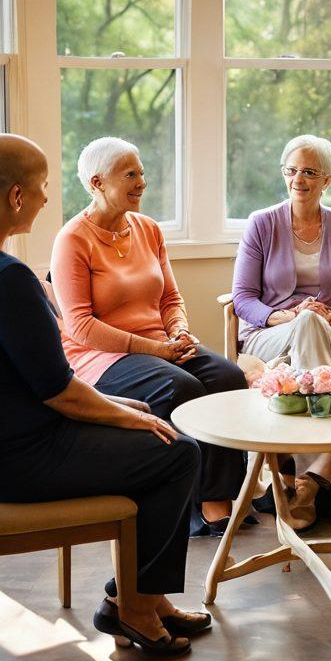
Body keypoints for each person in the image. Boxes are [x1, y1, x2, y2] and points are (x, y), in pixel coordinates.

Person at [0, 134, 205, 658]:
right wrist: (126, 417)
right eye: (44, 187)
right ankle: (133, 607)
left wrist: (121, 409)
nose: (49, 198)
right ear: (17, 197)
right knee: (175, 451)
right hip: (18, 460)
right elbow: (61, 393)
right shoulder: (6, 278)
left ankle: (145, 595)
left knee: (156, 433)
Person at [50, 137, 248, 538]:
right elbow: (80, 327)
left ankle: (219, 498)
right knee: (181, 388)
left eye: (141, 172)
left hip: (160, 344)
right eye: (130, 175)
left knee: (229, 378)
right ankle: (183, 505)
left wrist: (178, 330)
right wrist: (155, 348)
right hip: (100, 357)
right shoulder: (73, 239)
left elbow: (170, 297)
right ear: (97, 182)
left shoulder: (148, 229)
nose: (142, 182)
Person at [232, 134, 331, 528]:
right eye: (291, 170)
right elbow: (242, 298)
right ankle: (316, 477)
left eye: (309, 172)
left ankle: (288, 471)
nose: (298, 178)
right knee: (304, 324)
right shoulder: (261, 223)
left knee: (310, 325)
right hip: (271, 331)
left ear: (327, 179)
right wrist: (289, 318)